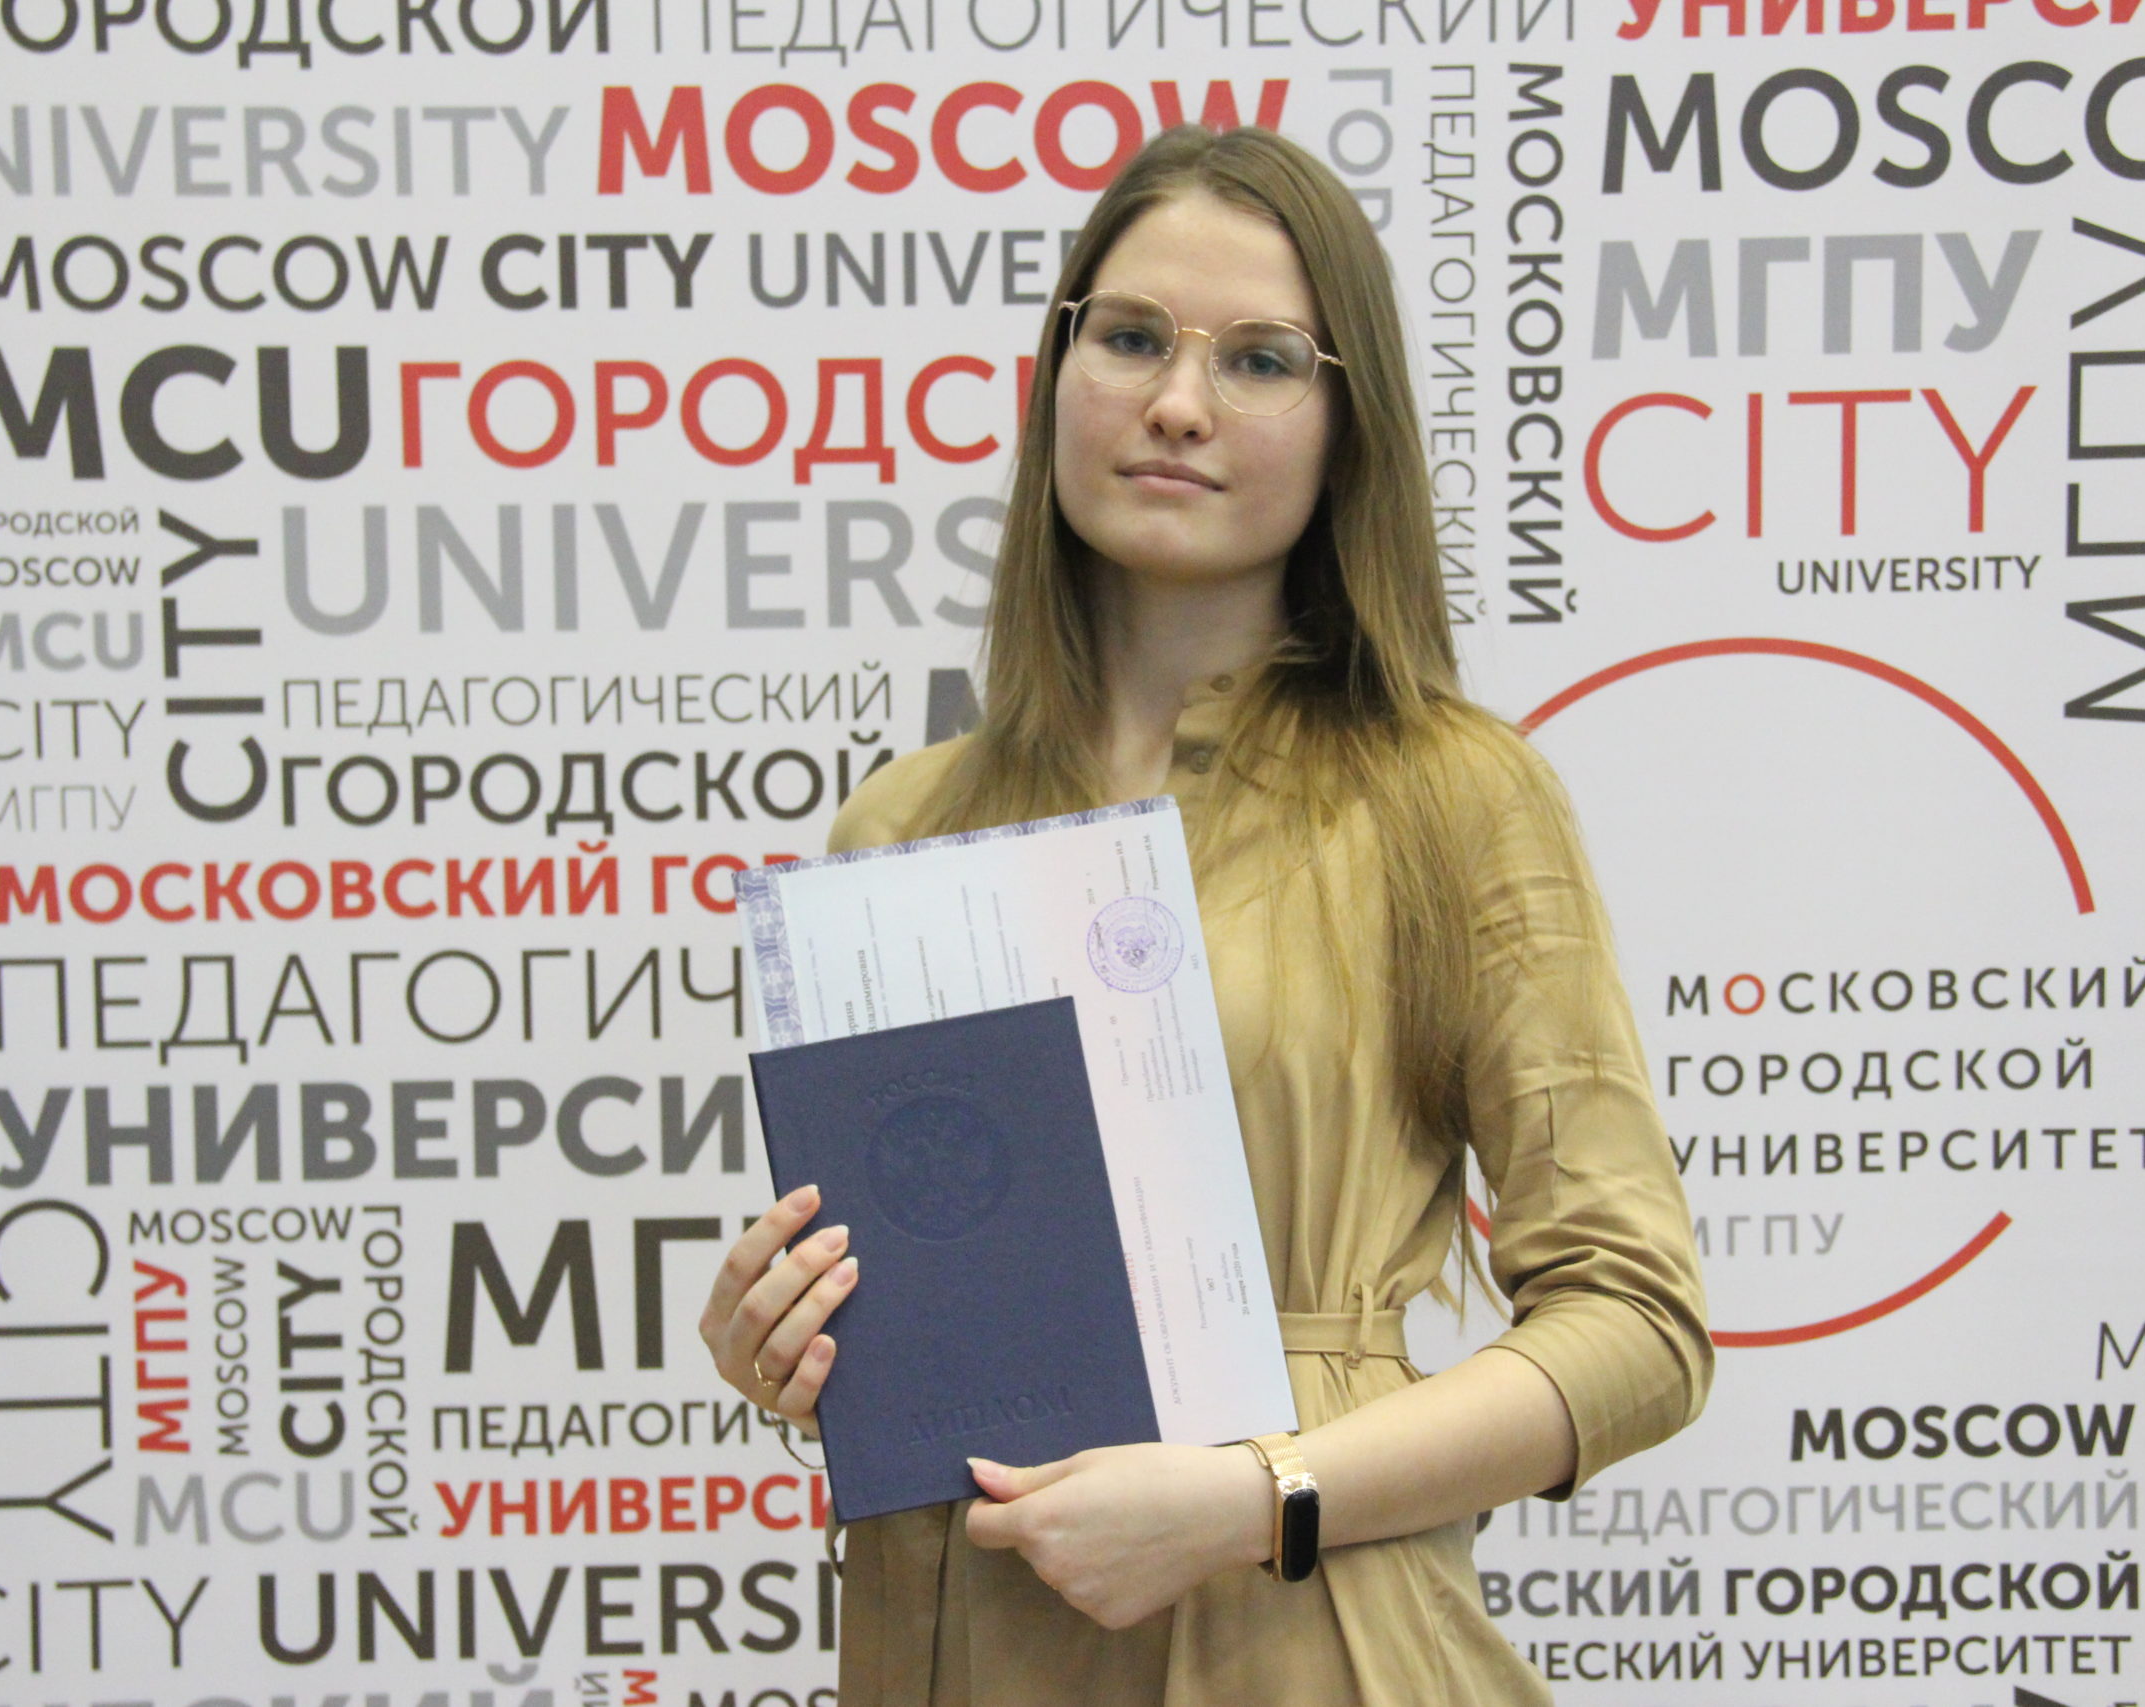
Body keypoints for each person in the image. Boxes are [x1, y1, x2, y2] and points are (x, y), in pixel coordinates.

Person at [697, 124, 1710, 1704]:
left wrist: (1261, 1498)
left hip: (1303, 1643)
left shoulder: (1452, 798)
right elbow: (920, 1299)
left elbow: (1638, 1324)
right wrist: (791, 1340)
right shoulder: (900, 829)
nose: (1178, 402)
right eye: (1131, 338)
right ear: (1058, 371)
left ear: (1347, 428)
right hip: (965, 1643)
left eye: (1260, 360)